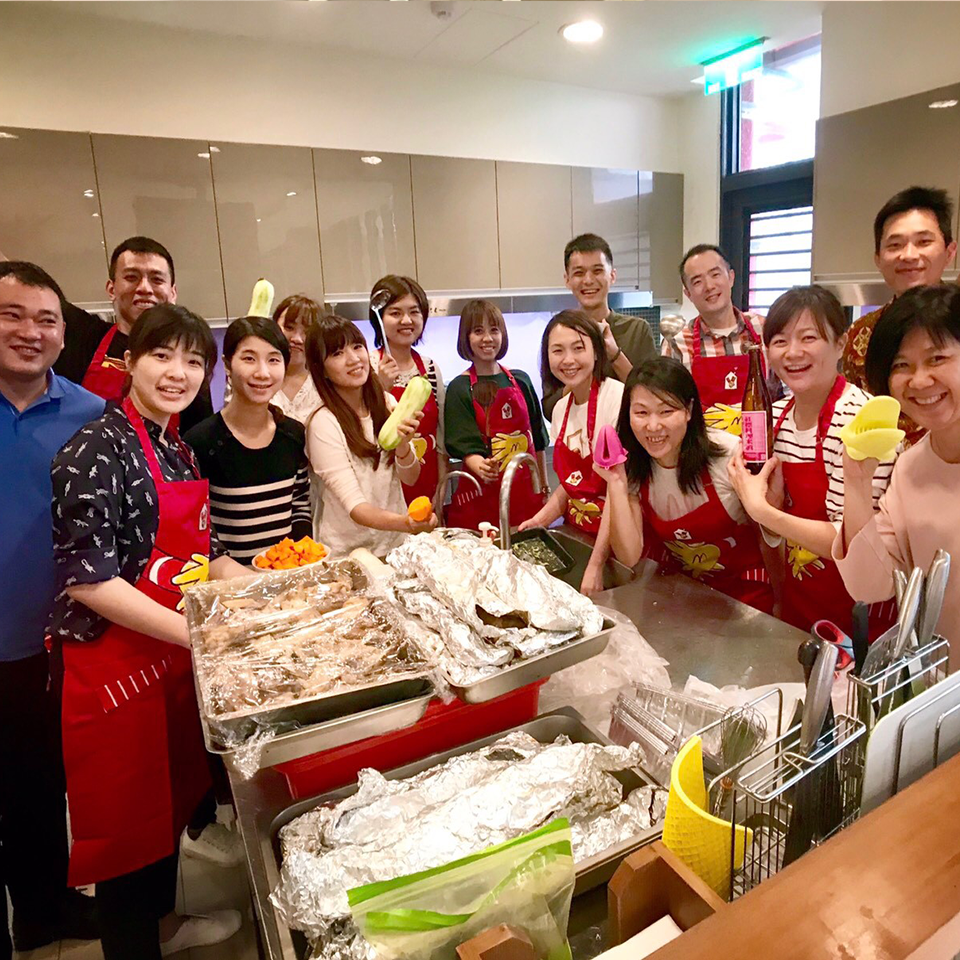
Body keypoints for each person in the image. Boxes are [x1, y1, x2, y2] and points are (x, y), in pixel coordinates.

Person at [48, 304, 251, 959]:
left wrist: (282, 591)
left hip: (162, 656)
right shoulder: (96, 447)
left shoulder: (175, 443)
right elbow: (89, 580)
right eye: (163, 355)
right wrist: (197, 635)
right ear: (129, 361)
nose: (179, 372)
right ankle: (132, 946)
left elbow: (205, 548)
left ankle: (162, 926)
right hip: (112, 668)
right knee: (126, 835)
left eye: (195, 360)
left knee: (162, 814)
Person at [0, 262, 102, 954]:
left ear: (64, 333)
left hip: (51, 643)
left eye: (45, 319)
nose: (28, 332)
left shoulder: (90, 414)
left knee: (42, 787)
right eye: (11, 315)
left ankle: (43, 913)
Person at [728, 286, 897, 638]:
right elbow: (778, 534)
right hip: (801, 607)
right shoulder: (777, 418)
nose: (793, 353)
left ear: (840, 343)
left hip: (860, 615)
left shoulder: (861, 420)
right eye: (779, 341)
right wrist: (770, 511)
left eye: (808, 338)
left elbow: (848, 539)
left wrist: (764, 512)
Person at [836, 285, 960, 658]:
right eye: (901, 366)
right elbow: (869, 585)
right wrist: (857, 480)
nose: (919, 381)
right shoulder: (909, 468)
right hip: (942, 692)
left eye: (936, 358)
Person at [594, 358, 773, 613]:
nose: (653, 426)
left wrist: (780, 600)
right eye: (641, 412)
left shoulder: (728, 457)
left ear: (689, 410)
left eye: (666, 411)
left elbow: (767, 537)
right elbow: (629, 555)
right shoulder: (633, 465)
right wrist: (616, 482)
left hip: (748, 600)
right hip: (688, 596)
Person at [304, 314, 437, 557]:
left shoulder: (386, 403)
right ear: (320, 369)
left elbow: (410, 478)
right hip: (350, 556)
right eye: (337, 353)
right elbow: (356, 508)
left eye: (357, 347)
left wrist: (404, 446)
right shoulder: (323, 424)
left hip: (396, 548)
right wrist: (407, 523)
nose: (353, 359)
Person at [54, 235, 213, 431]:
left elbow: (198, 435)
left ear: (173, 293)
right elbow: (27, 285)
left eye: (156, 280)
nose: (145, 288)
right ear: (111, 289)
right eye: (131, 277)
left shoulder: (187, 361)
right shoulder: (84, 335)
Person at [185, 316, 312, 563]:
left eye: (273, 360)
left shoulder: (292, 434)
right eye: (249, 359)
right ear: (228, 365)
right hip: (230, 584)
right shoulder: (201, 441)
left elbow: (299, 505)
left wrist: (298, 561)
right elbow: (199, 524)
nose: (262, 372)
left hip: (287, 577)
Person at [841, 186, 956, 446]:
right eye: (895, 245)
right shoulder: (860, 337)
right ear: (878, 259)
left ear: (950, 252)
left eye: (924, 242)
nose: (909, 255)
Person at [519, 310, 623, 594]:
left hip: (617, 544)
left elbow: (619, 490)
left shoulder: (617, 399)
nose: (568, 360)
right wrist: (540, 520)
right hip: (579, 534)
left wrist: (596, 564)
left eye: (579, 348)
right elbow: (572, 485)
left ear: (596, 352)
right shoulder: (562, 409)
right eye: (558, 351)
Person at [444, 299, 548, 529]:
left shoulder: (520, 379)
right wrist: (482, 465)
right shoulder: (459, 388)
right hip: (481, 499)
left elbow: (537, 440)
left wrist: (544, 488)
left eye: (494, 330)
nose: (488, 338)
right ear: (466, 338)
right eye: (478, 331)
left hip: (526, 498)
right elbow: (464, 445)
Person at [542, 233, 657, 418]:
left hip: (629, 442)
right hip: (578, 443)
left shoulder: (637, 330)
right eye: (579, 273)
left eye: (597, 271)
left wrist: (615, 354)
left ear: (612, 276)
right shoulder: (558, 334)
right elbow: (549, 409)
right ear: (567, 280)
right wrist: (577, 370)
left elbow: (653, 396)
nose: (588, 280)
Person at [664, 244, 773, 432]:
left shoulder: (765, 329)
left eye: (715, 274)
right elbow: (671, 410)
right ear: (688, 293)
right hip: (707, 454)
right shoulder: (677, 344)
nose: (709, 286)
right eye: (697, 281)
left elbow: (789, 393)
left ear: (730, 277)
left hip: (765, 450)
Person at [368, 275, 447, 506]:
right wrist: (381, 388)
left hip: (427, 486)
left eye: (414, 312)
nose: (406, 320)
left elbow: (440, 436)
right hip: (384, 490)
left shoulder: (430, 368)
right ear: (379, 319)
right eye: (395, 313)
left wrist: (441, 490)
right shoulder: (367, 366)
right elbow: (360, 431)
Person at [270, 294, 324, 423]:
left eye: (307, 331)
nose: (297, 339)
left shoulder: (324, 384)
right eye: (289, 327)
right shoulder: (258, 379)